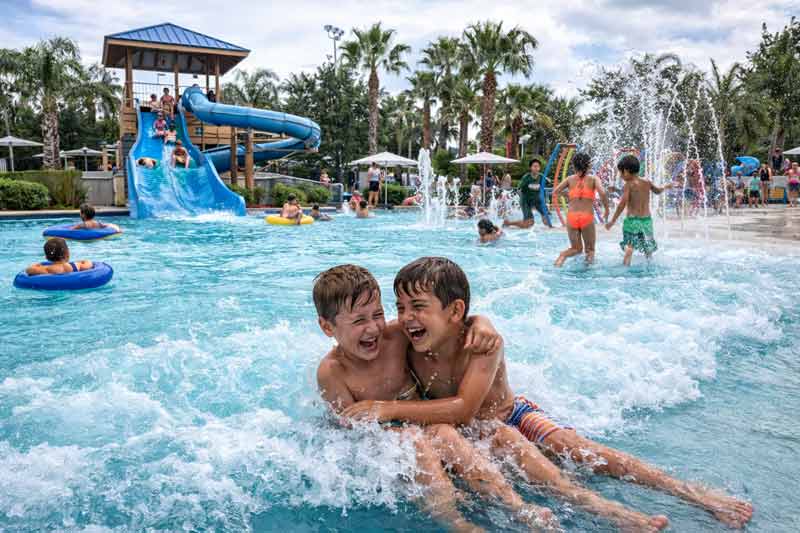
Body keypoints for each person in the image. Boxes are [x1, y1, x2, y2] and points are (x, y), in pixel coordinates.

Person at [343, 257, 754, 531]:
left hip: (506, 415)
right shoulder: (404, 335)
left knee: (570, 445)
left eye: (417, 307)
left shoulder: (482, 341)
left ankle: (689, 493)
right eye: (400, 308)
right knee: (495, 463)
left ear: (455, 312)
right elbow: (360, 341)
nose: (405, 318)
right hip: (457, 432)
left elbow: (467, 409)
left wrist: (384, 408)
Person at [314, 265, 557, 532]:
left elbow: (445, 324)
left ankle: (516, 506)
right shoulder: (332, 373)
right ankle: (457, 523)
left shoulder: (394, 337)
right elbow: (351, 432)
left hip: (427, 426)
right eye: (359, 321)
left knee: (488, 435)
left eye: (379, 314)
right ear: (327, 327)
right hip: (391, 443)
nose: (373, 328)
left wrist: (481, 321)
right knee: (421, 441)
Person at [604, 155, 670, 266]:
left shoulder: (628, 185)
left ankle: (625, 268)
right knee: (647, 247)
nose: (620, 176)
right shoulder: (647, 182)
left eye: (621, 173)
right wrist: (666, 187)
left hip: (633, 221)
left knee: (630, 247)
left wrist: (612, 221)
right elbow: (657, 191)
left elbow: (622, 203)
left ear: (626, 171)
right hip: (646, 221)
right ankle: (649, 265)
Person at [552, 153, 609, 266]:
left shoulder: (569, 179)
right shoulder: (593, 179)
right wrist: (607, 209)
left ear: (574, 166)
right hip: (586, 217)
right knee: (590, 250)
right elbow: (602, 193)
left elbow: (555, 192)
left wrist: (568, 196)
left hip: (572, 218)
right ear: (589, 166)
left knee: (576, 249)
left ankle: (561, 258)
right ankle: (586, 274)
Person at [506, 159, 552, 229]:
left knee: (546, 217)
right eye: (534, 166)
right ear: (531, 168)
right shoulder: (526, 177)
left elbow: (549, 182)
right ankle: (508, 223)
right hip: (526, 201)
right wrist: (522, 198)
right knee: (529, 223)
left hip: (537, 200)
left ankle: (549, 229)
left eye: (537, 166)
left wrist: (549, 181)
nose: (536, 168)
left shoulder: (541, 177)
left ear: (539, 168)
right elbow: (519, 189)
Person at [25, 237, 93, 276]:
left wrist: (38, 264)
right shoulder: (75, 265)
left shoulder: (46, 269)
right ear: (68, 253)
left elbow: (28, 270)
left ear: (46, 257)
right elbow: (89, 264)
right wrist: (83, 261)